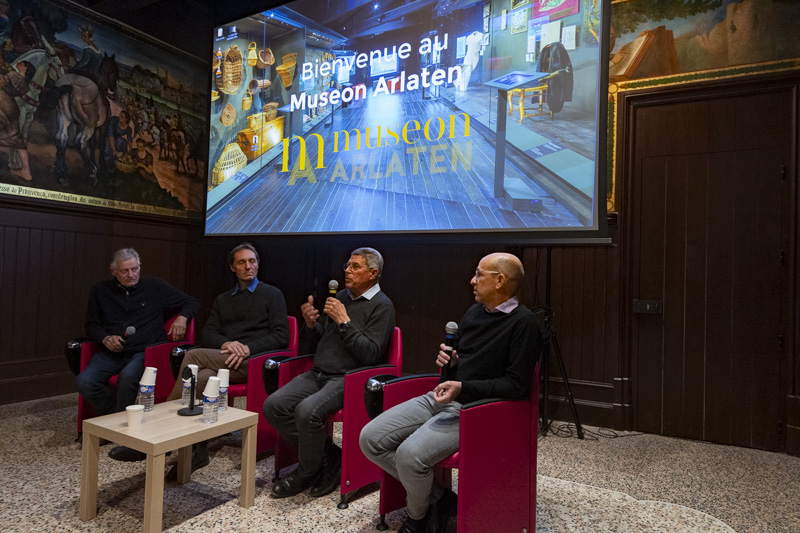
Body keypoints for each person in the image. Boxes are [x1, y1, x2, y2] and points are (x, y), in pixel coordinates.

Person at [359, 252, 541, 533]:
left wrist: (463, 387)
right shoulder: (473, 313)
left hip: (476, 411)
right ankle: (441, 499)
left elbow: (515, 385)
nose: (473, 280)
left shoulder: (524, 324)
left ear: (500, 281)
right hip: (444, 396)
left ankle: (417, 519)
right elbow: (462, 365)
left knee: (409, 456)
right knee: (369, 438)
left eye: (480, 274)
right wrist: (452, 363)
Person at [264, 247, 395, 499]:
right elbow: (324, 338)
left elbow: (371, 353)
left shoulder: (383, 306)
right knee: (274, 405)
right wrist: (312, 324)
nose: (347, 270)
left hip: (349, 377)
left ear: (373, 273)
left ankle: (306, 472)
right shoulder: (343, 296)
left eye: (355, 267)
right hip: (318, 373)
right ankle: (329, 456)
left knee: (307, 411)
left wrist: (345, 322)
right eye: (347, 265)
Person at [165, 243, 289, 477]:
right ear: (233, 267)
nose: (248, 266)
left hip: (254, 362)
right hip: (224, 361)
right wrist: (226, 344)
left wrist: (247, 348)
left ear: (258, 265)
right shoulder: (223, 300)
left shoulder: (272, 294)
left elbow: (282, 336)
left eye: (252, 261)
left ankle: (163, 425)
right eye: (241, 262)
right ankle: (197, 450)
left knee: (193, 355)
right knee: (202, 377)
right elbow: (208, 333)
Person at [76, 248, 199, 462]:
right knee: (84, 381)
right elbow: (91, 325)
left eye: (135, 269)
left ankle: (118, 429)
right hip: (111, 351)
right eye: (125, 271)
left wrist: (182, 318)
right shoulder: (100, 291)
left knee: (128, 377)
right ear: (113, 272)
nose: (131, 274)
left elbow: (192, 302)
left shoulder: (155, 287)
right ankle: (115, 419)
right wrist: (105, 338)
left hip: (145, 351)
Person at [0, 60, 35, 181]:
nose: (18, 62)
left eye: (22, 63)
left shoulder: (9, 74)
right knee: (17, 139)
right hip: (12, 107)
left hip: (2, 104)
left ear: (24, 68)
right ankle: (26, 171)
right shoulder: (19, 78)